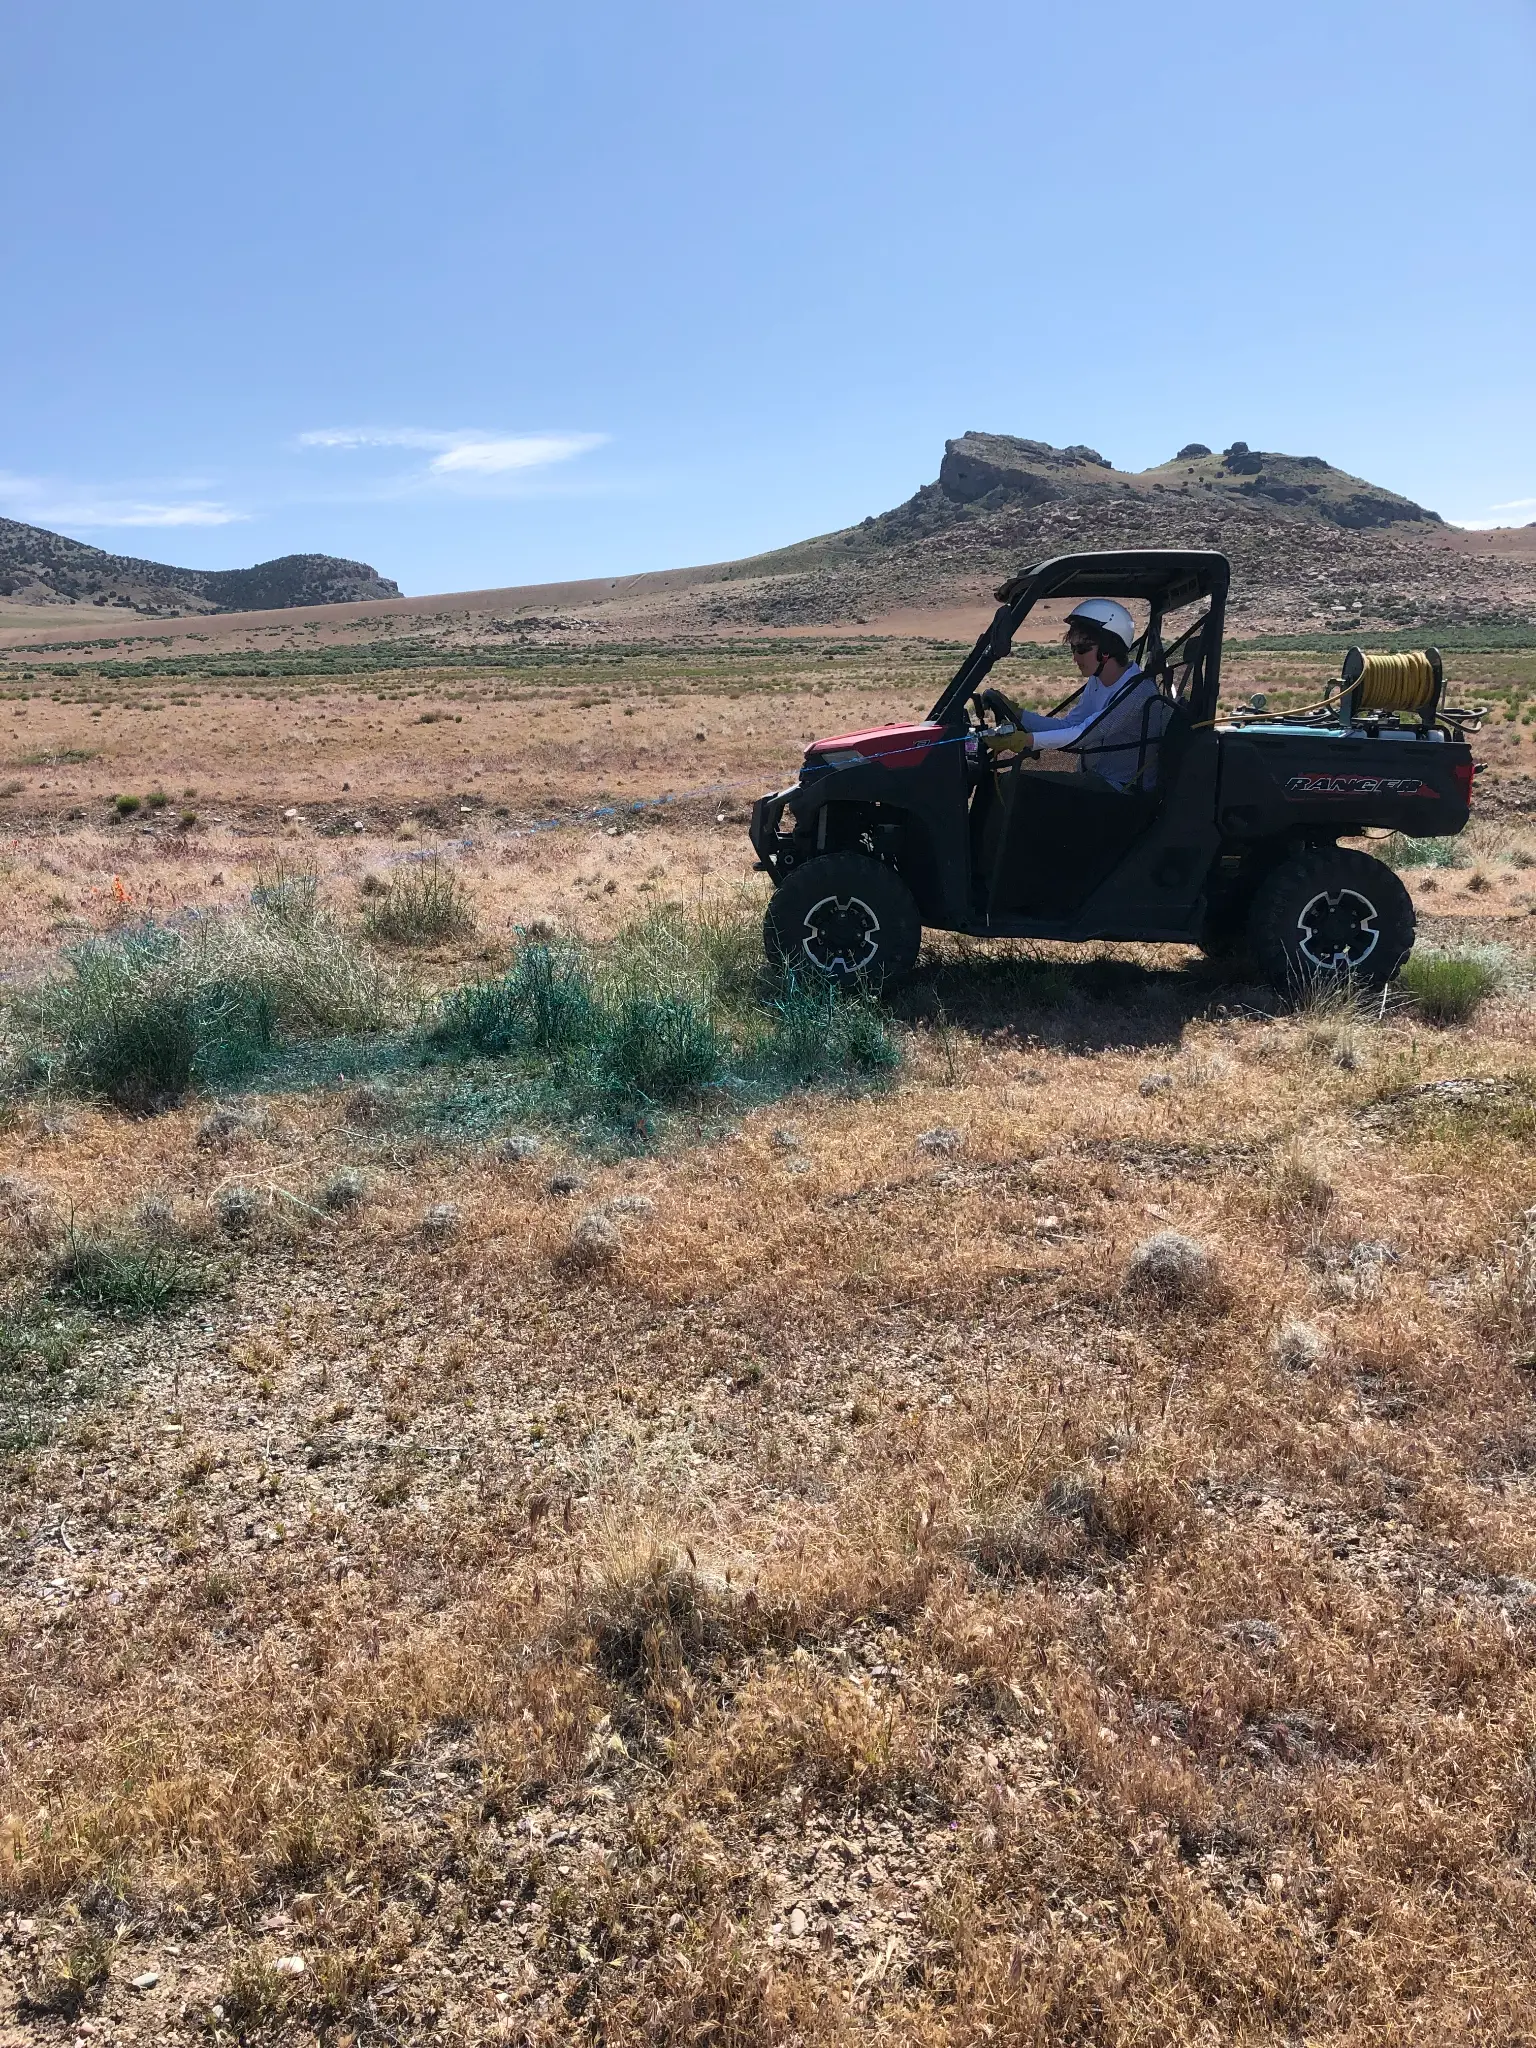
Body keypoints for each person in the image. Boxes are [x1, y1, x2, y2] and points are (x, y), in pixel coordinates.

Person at [997, 599, 1171, 791]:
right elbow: (1070, 725)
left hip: (1121, 792)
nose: (1075, 658)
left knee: (1017, 788)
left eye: (1081, 649)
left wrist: (1025, 740)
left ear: (1107, 649)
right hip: (1096, 781)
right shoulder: (1098, 681)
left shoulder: (1137, 692)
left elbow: (1085, 734)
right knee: (1013, 785)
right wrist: (1020, 714)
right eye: (1073, 649)